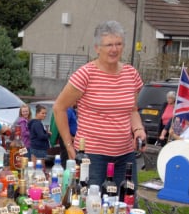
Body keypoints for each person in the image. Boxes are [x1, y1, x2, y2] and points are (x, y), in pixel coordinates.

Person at [52, 21, 145, 188]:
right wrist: (68, 144)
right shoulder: (85, 74)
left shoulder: (131, 74)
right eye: (109, 44)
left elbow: (132, 110)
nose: (114, 49)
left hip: (125, 155)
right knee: (93, 205)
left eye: (118, 44)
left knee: (126, 204)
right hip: (93, 156)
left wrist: (138, 130)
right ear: (97, 48)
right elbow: (59, 107)